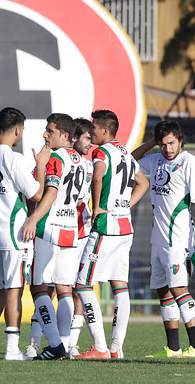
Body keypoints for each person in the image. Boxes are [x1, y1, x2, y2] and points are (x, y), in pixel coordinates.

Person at [0, 107, 50, 360]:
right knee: (15, 289)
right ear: (17, 129)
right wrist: (41, 167)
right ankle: (13, 349)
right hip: (15, 235)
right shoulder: (13, 158)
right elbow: (36, 194)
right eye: (21, 131)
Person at [132, 120, 195, 358]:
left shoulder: (190, 163)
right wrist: (151, 143)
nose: (167, 149)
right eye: (163, 143)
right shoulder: (155, 159)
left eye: (171, 143)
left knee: (179, 288)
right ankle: (173, 348)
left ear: (180, 140)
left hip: (178, 238)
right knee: (163, 291)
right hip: (158, 238)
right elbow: (128, 160)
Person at [74, 110, 149, 359]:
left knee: (83, 284)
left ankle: (100, 347)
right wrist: (126, 205)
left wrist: (97, 207)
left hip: (106, 227)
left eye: (94, 127)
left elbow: (98, 177)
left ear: (105, 130)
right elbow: (143, 183)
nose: (91, 131)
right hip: (125, 227)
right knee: (120, 287)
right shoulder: (125, 153)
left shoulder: (101, 152)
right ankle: (116, 348)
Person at [21, 113, 80, 360]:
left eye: (50, 131)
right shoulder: (81, 161)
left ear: (64, 135)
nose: (45, 134)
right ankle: (64, 346)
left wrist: (32, 219)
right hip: (71, 229)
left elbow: (50, 192)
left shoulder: (55, 158)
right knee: (65, 288)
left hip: (49, 227)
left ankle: (55, 344)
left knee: (38, 287)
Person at [66, 117, 94, 358]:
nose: (91, 142)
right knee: (52, 287)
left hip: (82, 232)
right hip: (58, 230)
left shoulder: (92, 165)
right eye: (87, 137)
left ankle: (71, 342)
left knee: (78, 288)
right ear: (74, 137)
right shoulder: (58, 159)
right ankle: (41, 340)